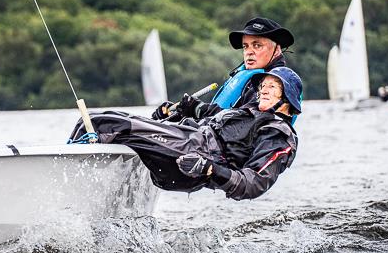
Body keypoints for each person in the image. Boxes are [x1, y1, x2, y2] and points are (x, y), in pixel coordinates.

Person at [70, 67, 302, 201]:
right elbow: (214, 116)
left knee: (103, 123)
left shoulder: (278, 134)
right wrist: (183, 109)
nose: (263, 90)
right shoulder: (249, 112)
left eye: (272, 87)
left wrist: (210, 169)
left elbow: (254, 183)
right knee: (98, 120)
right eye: (262, 86)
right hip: (187, 139)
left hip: (194, 155)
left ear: (287, 99)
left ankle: (68, 189)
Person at [153, 17, 298, 121]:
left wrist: (197, 109)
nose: (249, 51)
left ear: (277, 49)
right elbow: (221, 114)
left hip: (236, 157)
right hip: (213, 143)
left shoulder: (275, 84)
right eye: (245, 46)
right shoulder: (246, 75)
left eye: (257, 45)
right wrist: (178, 112)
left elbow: (244, 120)